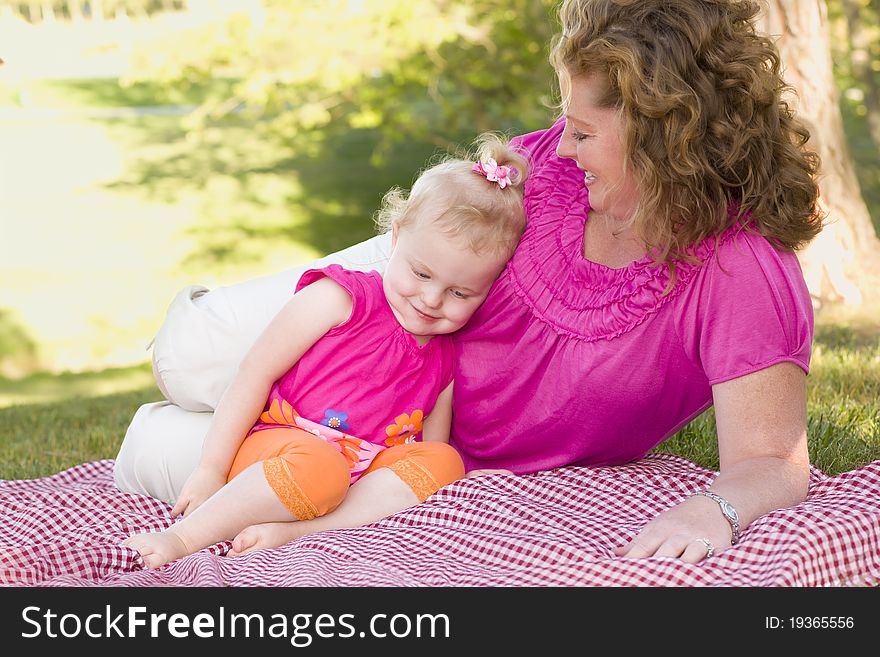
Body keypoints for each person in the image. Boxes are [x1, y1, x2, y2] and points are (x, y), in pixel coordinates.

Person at [115, 0, 822, 565]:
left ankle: (192, 438)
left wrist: (715, 508)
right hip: (405, 292)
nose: (560, 147)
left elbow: (773, 461)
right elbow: (455, 225)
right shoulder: (549, 173)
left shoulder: (739, 269)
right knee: (189, 355)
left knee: (156, 451)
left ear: (660, 135)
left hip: (406, 443)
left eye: (581, 131)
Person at [120, 134, 530, 568]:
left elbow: (429, 449)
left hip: (360, 480)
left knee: (444, 461)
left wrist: (430, 479)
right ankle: (184, 538)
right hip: (284, 451)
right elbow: (254, 373)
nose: (431, 300)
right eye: (421, 273)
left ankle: (304, 531)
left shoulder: (444, 357)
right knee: (320, 467)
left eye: (460, 292)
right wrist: (210, 469)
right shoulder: (340, 298)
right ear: (394, 239)